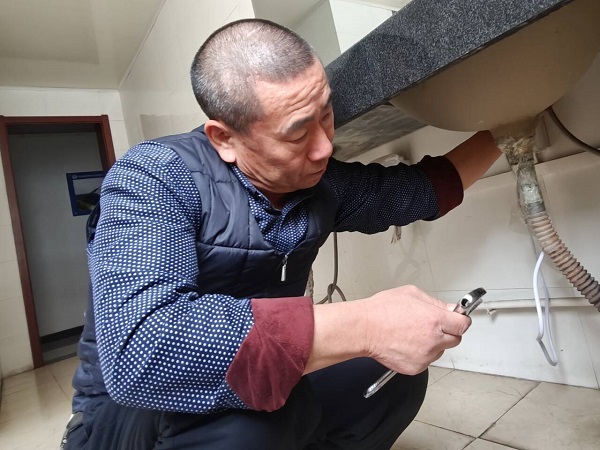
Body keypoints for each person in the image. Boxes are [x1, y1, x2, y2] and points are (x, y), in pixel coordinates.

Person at [62, 18, 502, 450]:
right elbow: (141, 350)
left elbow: (416, 192)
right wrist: (366, 324)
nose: (325, 147)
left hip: (249, 391)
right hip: (124, 417)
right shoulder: (152, 178)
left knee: (390, 376)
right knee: (258, 426)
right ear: (224, 139)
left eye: (326, 115)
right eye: (297, 135)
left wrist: (507, 128)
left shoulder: (318, 183)